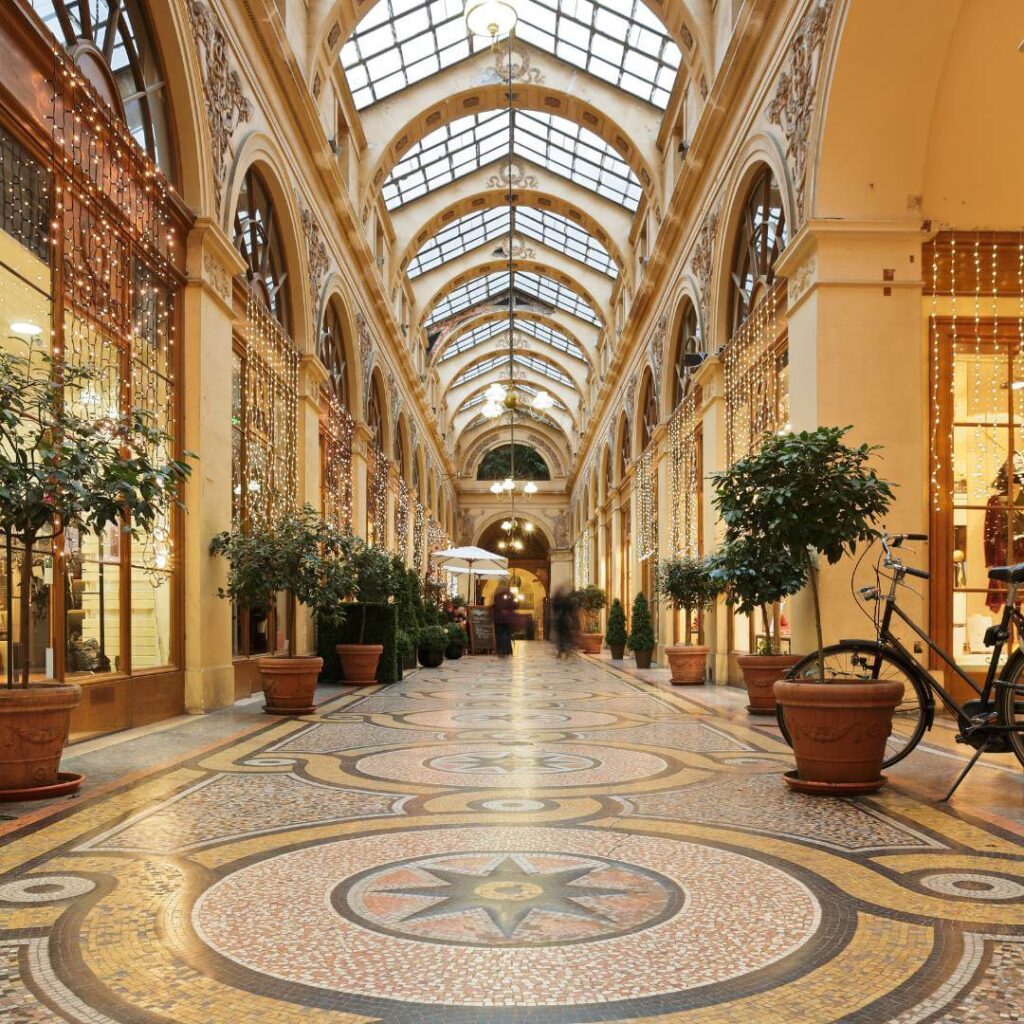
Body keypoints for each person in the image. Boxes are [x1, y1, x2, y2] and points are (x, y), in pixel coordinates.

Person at [492, 586, 522, 657]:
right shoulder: (509, 597)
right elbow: (515, 605)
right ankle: (506, 650)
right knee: (506, 635)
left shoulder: (497, 597)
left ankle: (503, 650)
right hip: (507, 620)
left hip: (499, 620)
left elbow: (495, 607)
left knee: (501, 635)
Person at [550, 586, 574, 659]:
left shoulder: (557, 601)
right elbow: (570, 610)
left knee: (561, 637)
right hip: (564, 622)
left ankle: (562, 652)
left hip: (561, 622)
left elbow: (554, 611)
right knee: (564, 637)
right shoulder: (565, 601)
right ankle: (564, 651)